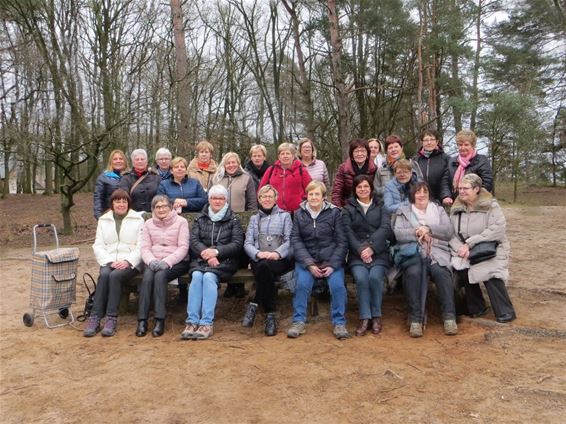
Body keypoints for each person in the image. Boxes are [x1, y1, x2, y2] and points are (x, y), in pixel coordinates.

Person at [393, 182, 458, 338]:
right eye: (418, 192)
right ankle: (415, 319)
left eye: (425, 192)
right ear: (412, 195)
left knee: (442, 273)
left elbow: (448, 231)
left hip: (436, 252)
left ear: (429, 194)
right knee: (413, 274)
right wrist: (417, 231)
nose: (421, 195)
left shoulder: (439, 210)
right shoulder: (403, 211)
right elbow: (398, 233)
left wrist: (429, 229)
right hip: (413, 253)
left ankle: (449, 317)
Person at [449, 173, 516, 323]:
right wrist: (460, 248)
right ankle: (476, 308)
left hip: (491, 248)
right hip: (464, 250)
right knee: (461, 271)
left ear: (477, 189)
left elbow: (497, 229)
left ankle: (504, 311)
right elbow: (450, 232)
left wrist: (470, 243)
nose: (461, 191)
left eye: (465, 188)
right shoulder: (457, 207)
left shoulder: (491, 206)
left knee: (490, 272)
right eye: (460, 188)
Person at [288, 181, 350, 340]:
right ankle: (298, 321)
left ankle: (339, 322)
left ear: (324, 197)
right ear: (306, 196)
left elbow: (342, 242)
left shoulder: (335, 213)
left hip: (330, 260)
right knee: (301, 285)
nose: (314, 197)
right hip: (307, 261)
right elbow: (296, 240)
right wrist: (309, 264)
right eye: (311, 194)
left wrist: (333, 264)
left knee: (337, 286)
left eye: (317, 194)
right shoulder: (299, 214)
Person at [181, 185, 244, 340]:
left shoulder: (233, 219)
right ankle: (192, 321)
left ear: (226, 200)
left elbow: (237, 243)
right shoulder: (201, 218)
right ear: (209, 199)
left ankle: (206, 323)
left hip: (225, 261)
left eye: (221, 198)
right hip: (202, 259)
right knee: (196, 275)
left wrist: (216, 252)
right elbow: (194, 240)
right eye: (214, 198)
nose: (217, 201)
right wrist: (207, 254)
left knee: (209, 277)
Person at [84, 189, 144, 337]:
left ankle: (111, 318)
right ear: (112, 203)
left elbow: (141, 246)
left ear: (128, 203)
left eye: (124, 201)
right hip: (109, 261)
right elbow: (98, 245)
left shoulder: (138, 219)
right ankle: (95, 317)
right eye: (118, 201)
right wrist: (109, 261)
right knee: (104, 275)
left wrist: (127, 261)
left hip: (130, 263)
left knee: (115, 276)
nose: (121, 204)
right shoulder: (104, 220)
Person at [342, 175, 393, 336]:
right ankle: (365, 317)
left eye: (365, 186)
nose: (362, 189)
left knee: (375, 278)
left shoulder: (381, 206)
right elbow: (348, 233)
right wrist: (361, 250)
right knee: (362, 278)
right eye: (359, 187)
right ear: (354, 190)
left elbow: (385, 228)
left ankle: (376, 316)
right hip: (357, 255)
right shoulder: (348, 208)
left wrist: (371, 248)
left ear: (371, 188)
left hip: (379, 253)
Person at [241, 185, 294, 336]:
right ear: (259, 199)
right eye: (264, 196)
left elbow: (290, 241)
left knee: (265, 268)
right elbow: (248, 243)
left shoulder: (285, 216)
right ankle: (271, 316)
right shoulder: (254, 219)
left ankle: (255, 303)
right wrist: (258, 254)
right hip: (260, 258)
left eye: (270, 196)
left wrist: (277, 253)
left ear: (276, 198)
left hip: (279, 259)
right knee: (264, 268)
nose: (267, 199)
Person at [136, 195, 190, 337]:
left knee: (160, 276)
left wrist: (166, 262)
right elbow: (145, 247)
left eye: (164, 206)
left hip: (176, 262)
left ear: (170, 207)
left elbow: (183, 248)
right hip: (153, 260)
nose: (161, 209)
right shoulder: (148, 224)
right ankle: (142, 320)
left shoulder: (181, 222)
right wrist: (151, 261)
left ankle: (160, 319)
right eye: (157, 207)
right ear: (153, 209)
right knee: (147, 276)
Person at [441, 129, 493, 206]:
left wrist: (472, 197)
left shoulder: (482, 161)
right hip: (454, 203)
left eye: (466, 145)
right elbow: (445, 181)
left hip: (475, 203)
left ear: (472, 145)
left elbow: (487, 183)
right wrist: (446, 196)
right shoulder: (452, 161)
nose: (463, 147)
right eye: (460, 145)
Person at [259, 142, 312, 213]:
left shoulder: (301, 170)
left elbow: (310, 189)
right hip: (275, 212)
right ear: (279, 156)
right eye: (282, 154)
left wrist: (302, 202)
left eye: (288, 153)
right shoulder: (271, 170)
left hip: (297, 212)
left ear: (293, 156)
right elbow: (261, 190)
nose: (285, 156)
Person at [331, 138, 377, 208]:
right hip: (347, 205)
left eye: (363, 151)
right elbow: (337, 191)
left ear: (367, 154)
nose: (360, 154)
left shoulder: (374, 169)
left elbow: (375, 191)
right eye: (356, 151)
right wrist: (337, 209)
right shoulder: (343, 168)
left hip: (368, 205)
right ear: (352, 155)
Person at [374, 135, 422, 199]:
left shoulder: (412, 164)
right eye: (390, 148)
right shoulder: (381, 169)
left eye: (396, 147)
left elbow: (421, 184)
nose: (393, 150)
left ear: (401, 148)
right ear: (386, 151)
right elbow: (376, 191)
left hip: (409, 205)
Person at [118, 149, 161, 213]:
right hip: (134, 215)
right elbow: (123, 198)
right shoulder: (126, 178)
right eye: (137, 159)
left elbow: (162, 197)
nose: (140, 161)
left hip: (154, 215)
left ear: (146, 162)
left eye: (142, 159)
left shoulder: (156, 177)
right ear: (133, 162)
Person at [413, 130, 449, 204]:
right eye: (426, 140)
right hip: (421, 200)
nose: (429, 143)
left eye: (432, 139)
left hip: (441, 200)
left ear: (437, 141)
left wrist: (445, 196)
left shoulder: (446, 159)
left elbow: (447, 180)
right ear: (422, 142)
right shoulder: (415, 160)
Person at [93, 149, 129, 219]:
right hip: (110, 215)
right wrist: (99, 217)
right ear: (111, 162)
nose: (118, 161)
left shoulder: (130, 175)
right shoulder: (104, 177)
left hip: (128, 215)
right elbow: (98, 198)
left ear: (124, 161)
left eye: (121, 159)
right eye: (115, 159)